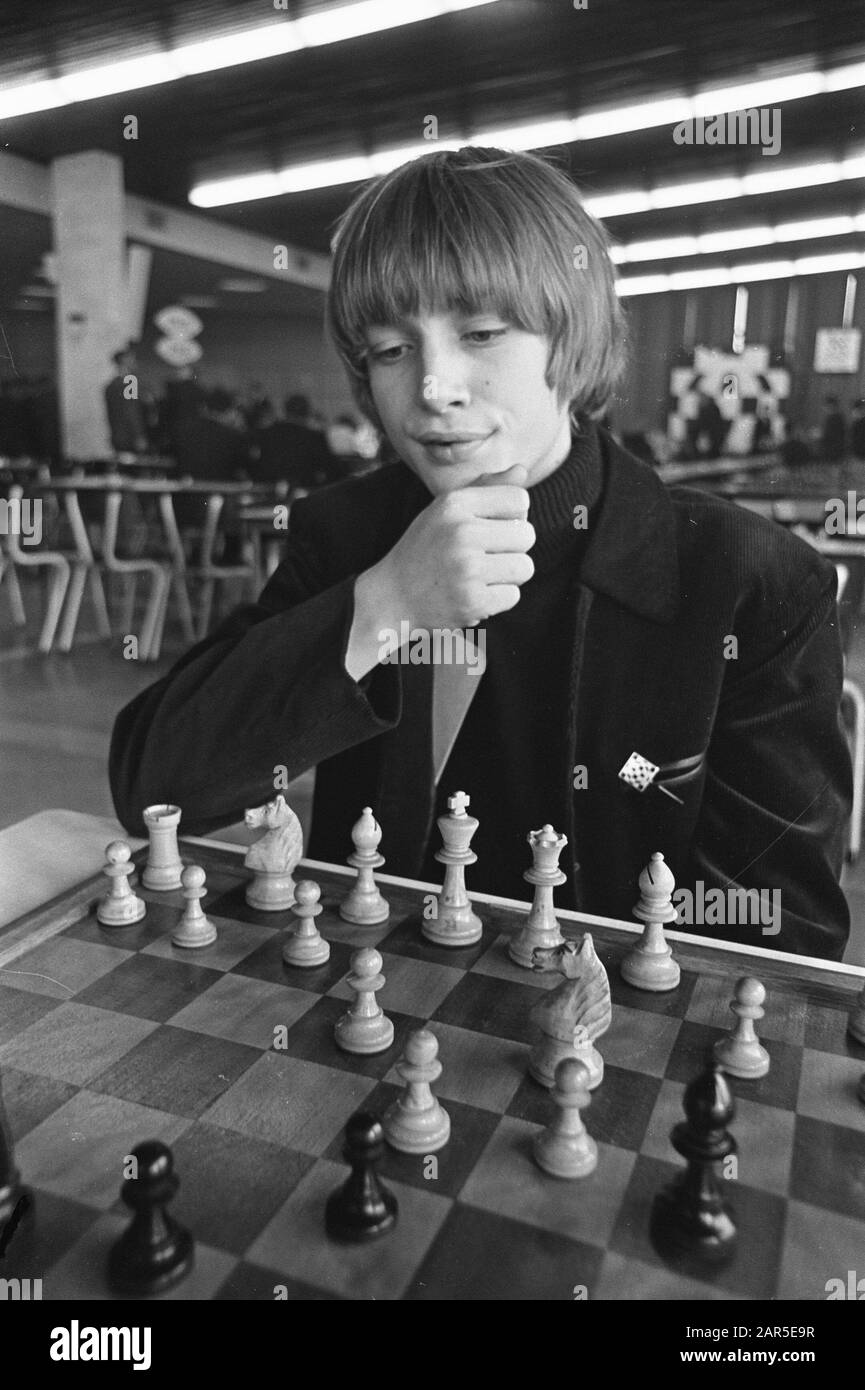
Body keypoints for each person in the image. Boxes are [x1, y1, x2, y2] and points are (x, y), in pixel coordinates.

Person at [110, 146, 851, 960]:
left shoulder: (748, 580)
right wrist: (382, 605)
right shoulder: (346, 535)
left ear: (570, 340)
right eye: (391, 350)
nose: (433, 387)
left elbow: (783, 938)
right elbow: (153, 783)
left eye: (482, 332)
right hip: (378, 1002)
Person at [251, 393, 337, 489]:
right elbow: (331, 469)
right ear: (307, 413)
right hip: (304, 493)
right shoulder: (314, 437)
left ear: (285, 411)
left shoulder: (265, 434)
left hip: (267, 491)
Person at [104, 345, 149, 455]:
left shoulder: (111, 385)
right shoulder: (130, 383)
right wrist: (138, 435)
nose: (135, 362)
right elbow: (131, 411)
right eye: (132, 359)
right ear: (124, 361)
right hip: (130, 438)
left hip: (117, 436)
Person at [821, 395, 847, 462]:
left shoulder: (833, 418)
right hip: (838, 448)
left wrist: (820, 435)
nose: (825, 409)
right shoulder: (840, 417)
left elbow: (829, 435)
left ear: (831, 405)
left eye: (826, 406)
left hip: (832, 449)